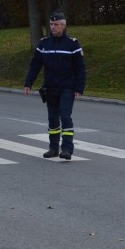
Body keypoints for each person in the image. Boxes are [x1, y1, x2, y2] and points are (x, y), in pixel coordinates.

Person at [23, 12, 86, 160]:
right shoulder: (44, 44)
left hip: (67, 87)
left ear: (63, 26)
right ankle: (53, 148)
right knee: (52, 119)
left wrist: (79, 87)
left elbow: (80, 68)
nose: (53, 27)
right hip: (50, 87)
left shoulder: (72, 44)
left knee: (64, 115)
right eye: (51, 24)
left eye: (56, 24)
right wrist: (28, 83)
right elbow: (35, 65)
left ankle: (67, 149)